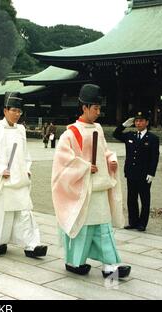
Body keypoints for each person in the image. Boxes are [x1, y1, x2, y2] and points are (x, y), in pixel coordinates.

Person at [52, 84, 131, 279]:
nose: (98, 112)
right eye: (95, 108)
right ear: (84, 107)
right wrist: (84, 167)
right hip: (83, 189)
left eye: (99, 108)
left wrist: (111, 160)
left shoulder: (98, 128)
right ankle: (74, 262)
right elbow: (63, 162)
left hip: (100, 186)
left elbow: (105, 151)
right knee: (83, 228)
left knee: (103, 227)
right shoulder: (71, 133)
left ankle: (110, 265)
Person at [0, 92, 48, 259]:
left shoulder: (21, 130)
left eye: (19, 111)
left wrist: (27, 168)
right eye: (14, 110)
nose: (17, 114)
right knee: (3, 215)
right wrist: (0, 170)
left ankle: (32, 245)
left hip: (19, 179)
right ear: (5, 110)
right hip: (4, 180)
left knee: (24, 212)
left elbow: (25, 154)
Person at [113, 110, 160, 232]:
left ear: (147, 122)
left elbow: (155, 157)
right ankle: (133, 222)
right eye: (136, 121)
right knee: (131, 198)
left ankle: (142, 223)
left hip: (144, 175)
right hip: (131, 172)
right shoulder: (130, 135)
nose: (138, 123)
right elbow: (115, 134)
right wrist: (123, 125)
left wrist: (151, 173)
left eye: (141, 121)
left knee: (144, 199)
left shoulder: (153, 138)